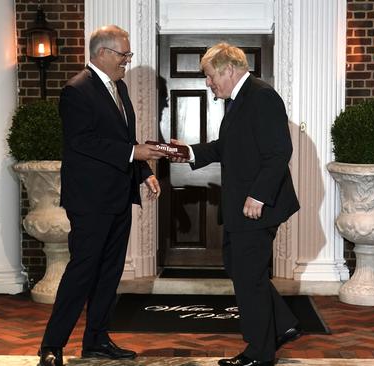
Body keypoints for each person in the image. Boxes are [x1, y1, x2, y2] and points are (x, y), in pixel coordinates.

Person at [38, 25, 166, 366]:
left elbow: (126, 139)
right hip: (90, 201)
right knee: (83, 271)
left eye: (128, 55)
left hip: (118, 197)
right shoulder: (76, 90)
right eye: (123, 54)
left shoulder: (119, 88)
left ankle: (96, 340)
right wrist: (134, 154)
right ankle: (52, 345)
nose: (127, 60)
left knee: (110, 272)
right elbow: (83, 142)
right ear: (102, 53)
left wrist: (145, 172)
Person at [170, 43, 302, 366]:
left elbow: (279, 151)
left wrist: (258, 195)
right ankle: (282, 325)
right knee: (239, 266)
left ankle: (259, 353)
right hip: (242, 207)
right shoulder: (237, 101)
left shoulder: (261, 96)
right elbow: (225, 148)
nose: (208, 83)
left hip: (257, 206)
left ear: (229, 69)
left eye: (210, 76)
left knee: (249, 277)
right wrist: (188, 152)